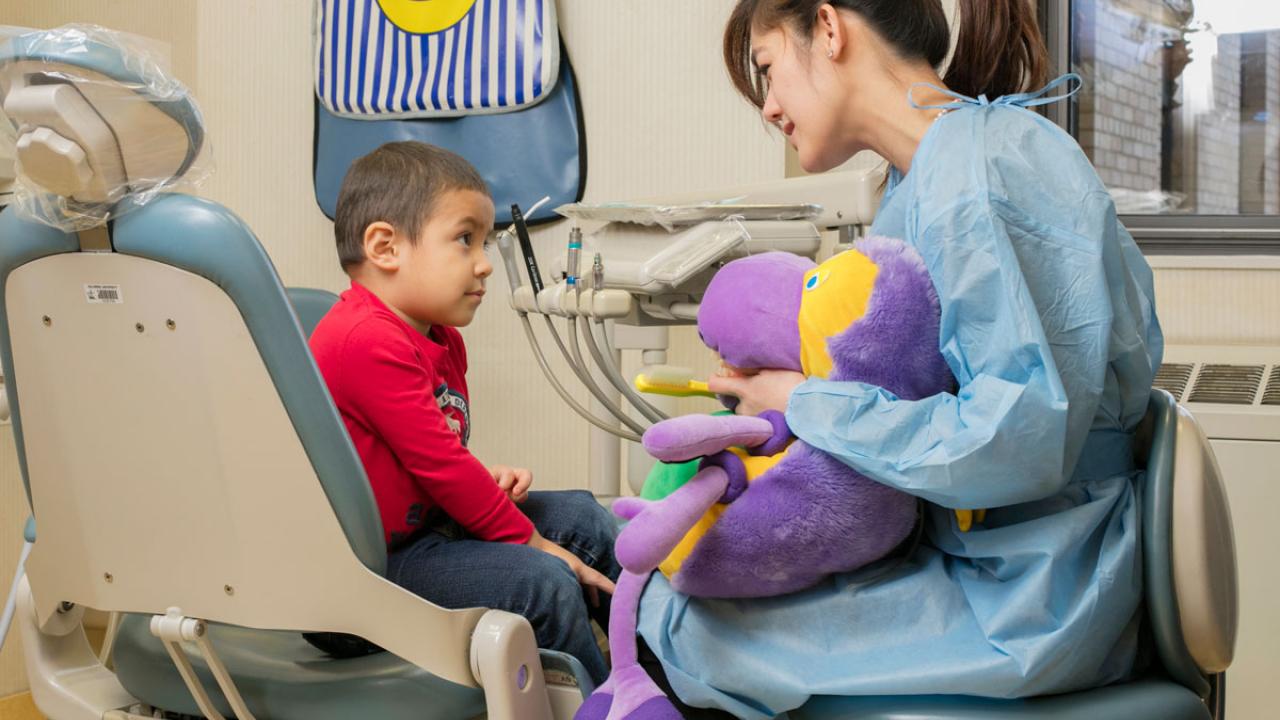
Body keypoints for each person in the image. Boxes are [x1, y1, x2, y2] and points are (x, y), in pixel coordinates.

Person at [632, 1, 1164, 717]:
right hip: (988, 557)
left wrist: (806, 403)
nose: (768, 107)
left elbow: (1019, 439)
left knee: (682, 625)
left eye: (766, 69)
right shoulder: (920, 185)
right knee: (669, 586)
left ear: (828, 26)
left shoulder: (982, 169)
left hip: (1036, 594)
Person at [307, 141, 620, 684]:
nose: (484, 264)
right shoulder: (364, 338)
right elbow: (440, 465)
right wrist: (527, 539)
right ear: (385, 246)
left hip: (420, 540)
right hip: (355, 583)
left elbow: (433, 457)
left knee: (585, 520)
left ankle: (666, 684)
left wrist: (483, 481)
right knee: (541, 577)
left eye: (486, 242)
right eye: (465, 239)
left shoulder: (440, 338)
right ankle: (603, 706)